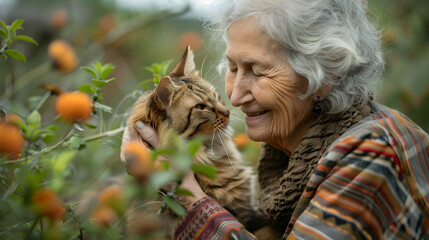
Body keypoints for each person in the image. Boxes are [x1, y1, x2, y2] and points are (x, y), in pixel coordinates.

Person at [121, 0, 429, 239]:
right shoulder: (287, 149)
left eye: (256, 70)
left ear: (327, 71)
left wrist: (186, 193)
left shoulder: (372, 154)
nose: (236, 97)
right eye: (231, 67)